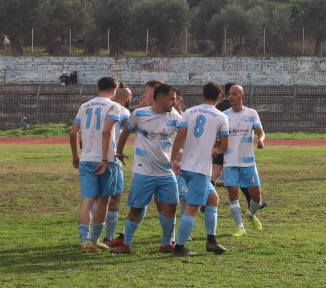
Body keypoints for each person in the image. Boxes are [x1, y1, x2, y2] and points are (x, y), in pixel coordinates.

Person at [109, 83, 183, 254]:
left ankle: (166, 244)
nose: (174, 101)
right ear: (160, 98)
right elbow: (126, 130)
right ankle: (126, 244)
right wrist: (119, 151)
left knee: (171, 206)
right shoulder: (140, 114)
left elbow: (184, 136)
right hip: (144, 172)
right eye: (171, 98)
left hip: (166, 172)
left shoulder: (176, 117)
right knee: (137, 207)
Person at [169, 81, 230, 255]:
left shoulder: (189, 112)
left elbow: (180, 136)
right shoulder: (221, 117)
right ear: (219, 97)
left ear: (202, 95)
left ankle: (211, 241)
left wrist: (173, 159)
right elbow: (224, 146)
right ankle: (179, 248)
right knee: (192, 207)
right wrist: (216, 148)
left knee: (213, 199)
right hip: (201, 169)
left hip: (187, 166)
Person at [69, 76, 123, 252]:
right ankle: (95, 239)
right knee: (104, 199)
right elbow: (107, 131)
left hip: (86, 158)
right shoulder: (113, 106)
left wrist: (75, 156)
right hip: (105, 160)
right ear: (114, 90)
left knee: (87, 200)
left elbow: (72, 132)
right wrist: (105, 159)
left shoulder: (85, 106)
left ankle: (85, 240)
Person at [222, 85, 266, 236]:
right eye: (229, 94)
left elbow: (261, 132)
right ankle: (240, 227)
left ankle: (251, 215)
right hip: (230, 161)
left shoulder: (252, 113)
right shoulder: (224, 116)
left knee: (257, 198)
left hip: (248, 162)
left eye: (235, 94)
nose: (231, 97)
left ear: (242, 96)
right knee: (233, 193)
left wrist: (260, 140)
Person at [100, 85, 133, 245]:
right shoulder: (123, 111)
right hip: (112, 158)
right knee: (114, 198)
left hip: (92, 156)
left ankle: (92, 236)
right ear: (127, 98)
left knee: (95, 198)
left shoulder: (99, 107)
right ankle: (109, 237)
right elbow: (129, 128)